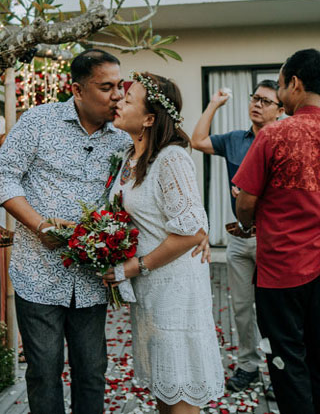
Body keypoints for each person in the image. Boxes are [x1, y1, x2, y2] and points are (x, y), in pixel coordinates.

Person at [0, 50, 210, 414]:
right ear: (77, 89)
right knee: (44, 372)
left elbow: (152, 187)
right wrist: (39, 224)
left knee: (92, 371)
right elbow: (2, 176)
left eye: (121, 87)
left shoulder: (124, 136)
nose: (117, 96)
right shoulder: (38, 121)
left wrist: (195, 231)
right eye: (106, 87)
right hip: (39, 273)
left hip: (92, 279)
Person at [233, 49, 320, 414]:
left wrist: (248, 222)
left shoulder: (274, 135)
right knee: (317, 354)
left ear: (295, 83)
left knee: (286, 361)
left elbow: (245, 202)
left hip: (280, 270)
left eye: (280, 82)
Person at [101, 71, 224, 413]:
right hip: (150, 293)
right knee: (164, 389)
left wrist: (135, 266)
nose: (119, 101)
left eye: (128, 98)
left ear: (150, 118)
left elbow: (194, 231)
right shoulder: (129, 156)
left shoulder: (171, 159)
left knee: (180, 388)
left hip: (175, 292)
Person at [190, 80, 283, 392]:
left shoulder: (284, 142)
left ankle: (280, 372)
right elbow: (197, 140)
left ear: (280, 110)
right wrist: (215, 103)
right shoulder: (234, 140)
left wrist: (251, 195)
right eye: (254, 98)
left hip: (274, 240)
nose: (257, 104)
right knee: (242, 308)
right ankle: (248, 366)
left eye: (266, 101)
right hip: (240, 238)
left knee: (275, 309)